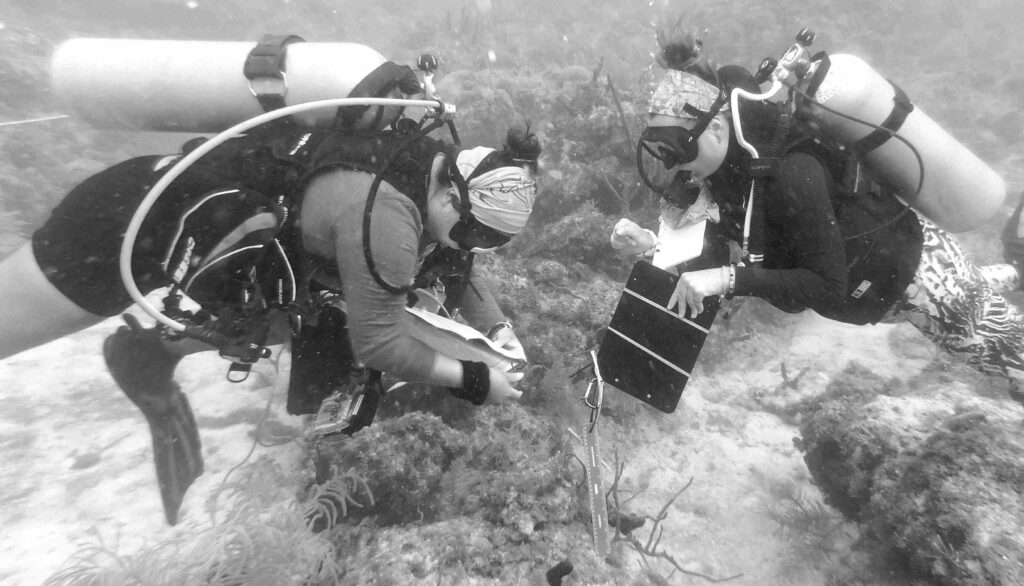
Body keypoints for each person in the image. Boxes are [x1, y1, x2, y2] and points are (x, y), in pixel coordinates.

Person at [0, 98, 540, 524]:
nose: (472, 247)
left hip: (187, 239)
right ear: (454, 192)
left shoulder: (433, 169)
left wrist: (497, 328)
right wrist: (473, 379)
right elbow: (380, 344)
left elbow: (458, 263)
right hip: (121, 226)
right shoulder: (389, 218)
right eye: (473, 232)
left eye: (490, 242)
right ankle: (147, 350)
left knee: (314, 311)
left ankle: (150, 352)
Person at [611, 25, 1024, 391]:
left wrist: (724, 279)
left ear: (716, 128)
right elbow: (716, 239)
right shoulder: (725, 175)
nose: (673, 164)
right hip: (878, 292)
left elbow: (826, 285)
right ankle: (1017, 271)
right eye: (661, 150)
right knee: (984, 291)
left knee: (1008, 357)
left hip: (921, 279)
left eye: (678, 148)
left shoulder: (793, 171)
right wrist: (651, 243)